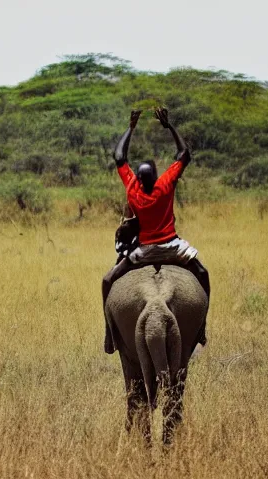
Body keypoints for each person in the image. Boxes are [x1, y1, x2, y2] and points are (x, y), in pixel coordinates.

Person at [102, 107, 210, 354]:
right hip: (173, 247)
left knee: (107, 280)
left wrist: (131, 127)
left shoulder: (133, 190)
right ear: (155, 177)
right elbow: (184, 154)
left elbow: (119, 156)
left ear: (138, 179)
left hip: (144, 251)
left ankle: (109, 333)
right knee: (203, 275)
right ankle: (201, 326)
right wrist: (169, 126)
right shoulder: (164, 186)